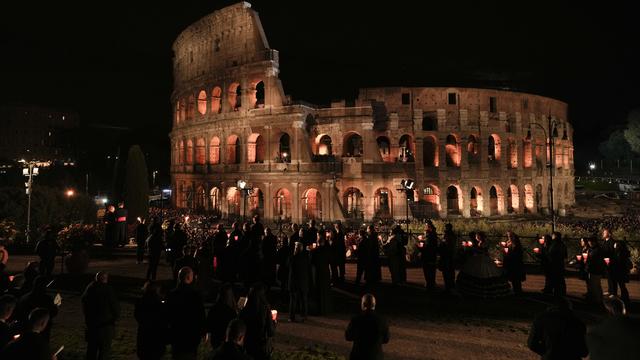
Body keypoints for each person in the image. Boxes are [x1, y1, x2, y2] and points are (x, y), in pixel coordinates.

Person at [166, 267, 205, 360]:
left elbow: (167, 315)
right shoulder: (195, 296)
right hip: (191, 335)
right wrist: (202, 329)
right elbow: (201, 316)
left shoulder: (172, 295)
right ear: (189, 278)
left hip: (176, 334)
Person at [82, 271, 120, 360]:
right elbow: (116, 308)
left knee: (91, 351)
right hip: (105, 327)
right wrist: (114, 318)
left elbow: (84, 304)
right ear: (105, 279)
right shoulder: (108, 290)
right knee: (104, 352)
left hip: (92, 326)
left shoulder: (89, 289)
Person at [345, 294, 390, 360]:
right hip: (376, 356)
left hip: (358, 356)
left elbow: (348, 337)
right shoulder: (383, 320)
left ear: (363, 304)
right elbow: (386, 340)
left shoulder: (356, 319)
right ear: (374, 304)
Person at [15, 276, 58, 342]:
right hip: (41, 329)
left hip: (25, 328)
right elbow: (52, 312)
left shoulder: (24, 297)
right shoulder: (46, 299)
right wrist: (56, 305)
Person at [239, 283, 276, 360]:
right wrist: (274, 322)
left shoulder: (246, 309)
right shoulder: (265, 308)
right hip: (261, 345)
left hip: (248, 344)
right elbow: (271, 331)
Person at [134, 281, 168, 360]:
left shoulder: (140, 302)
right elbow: (164, 321)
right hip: (156, 341)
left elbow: (137, 317)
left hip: (143, 339)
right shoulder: (159, 305)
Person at [601, 228, 632, 309]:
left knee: (619, 283)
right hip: (615, 267)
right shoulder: (606, 243)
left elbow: (615, 256)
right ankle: (619, 297)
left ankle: (621, 298)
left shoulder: (614, 245)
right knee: (617, 282)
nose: (603, 234)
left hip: (617, 268)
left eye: (605, 232)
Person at [206, 284, 237, 350]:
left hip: (215, 339)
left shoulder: (214, 309)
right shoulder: (231, 312)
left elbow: (208, 325)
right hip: (226, 340)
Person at [288, 242, 310, 322]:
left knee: (293, 300)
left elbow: (288, 265)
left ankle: (291, 316)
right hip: (302, 281)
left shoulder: (292, 257)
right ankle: (304, 316)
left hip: (294, 281)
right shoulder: (305, 257)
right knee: (303, 299)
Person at [311, 232, 332, 315]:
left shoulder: (315, 251)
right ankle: (326, 308)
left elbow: (312, 261)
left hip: (318, 272)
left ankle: (319, 309)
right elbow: (330, 260)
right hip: (325, 272)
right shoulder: (327, 250)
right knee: (325, 290)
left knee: (318, 290)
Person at [546, 232, 567, 297]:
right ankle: (561, 292)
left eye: (553, 236)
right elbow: (565, 255)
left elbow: (551, 253)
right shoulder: (562, 244)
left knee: (556, 279)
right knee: (560, 279)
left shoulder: (554, 244)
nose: (552, 237)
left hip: (555, 264)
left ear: (555, 236)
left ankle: (558, 293)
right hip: (560, 264)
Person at [419, 221, 438, 291]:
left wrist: (420, 246)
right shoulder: (433, 236)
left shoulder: (430, 239)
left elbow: (426, 248)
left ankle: (429, 283)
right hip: (432, 256)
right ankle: (431, 282)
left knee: (428, 270)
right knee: (431, 270)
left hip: (428, 257)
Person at [585, 237, 605, 305]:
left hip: (595, 270)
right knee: (596, 285)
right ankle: (598, 299)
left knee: (595, 285)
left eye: (590, 242)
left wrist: (588, 258)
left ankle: (598, 301)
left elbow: (594, 259)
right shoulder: (592, 249)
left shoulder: (596, 250)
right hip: (593, 269)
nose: (589, 243)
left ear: (594, 242)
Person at [438, 223, 457, 293]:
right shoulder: (452, 235)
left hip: (447, 255)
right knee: (450, 270)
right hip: (450, 255)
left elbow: (446, 244)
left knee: (447, 271)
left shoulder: (448, 236)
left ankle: (448, 286)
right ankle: (451, 284)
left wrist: (442, 243)